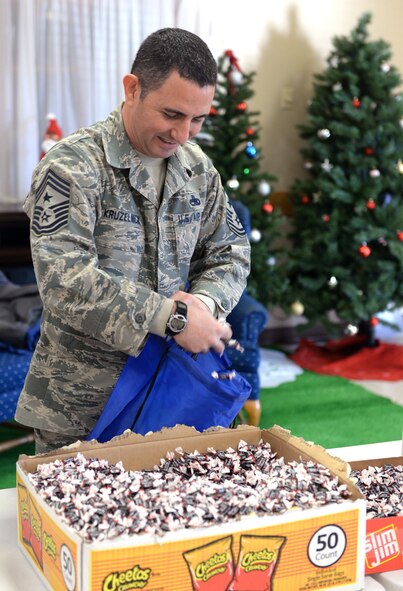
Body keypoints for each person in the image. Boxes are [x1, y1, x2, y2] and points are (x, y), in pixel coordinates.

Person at [15, 27, 250, 453]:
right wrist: (172, 318)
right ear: (132, 88)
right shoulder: (72, 166)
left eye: (198, 119)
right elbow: (64, 281)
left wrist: (204, 306)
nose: (184, 134)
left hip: (173, 396)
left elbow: (230, 252)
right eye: (172, 114)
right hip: (80, 408)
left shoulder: (198, 169)